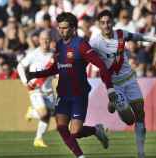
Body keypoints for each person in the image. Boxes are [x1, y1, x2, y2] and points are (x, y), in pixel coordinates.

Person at [26, 12, 119, 158]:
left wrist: (110, 88)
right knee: (62, 128)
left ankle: (96, 130)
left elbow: (101, 65)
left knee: (75, 132)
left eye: (64, 28)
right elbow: (57, 67)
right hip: (63, 94)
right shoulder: (58, 46)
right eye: (59, 28)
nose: (61, 31)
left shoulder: (81, 45)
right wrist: (36, 74)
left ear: (73, 28)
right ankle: (80, 156)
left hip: (79, 94)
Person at [89, 10, 156, 158]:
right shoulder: (95, 42)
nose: (106, 25)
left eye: (108, 22)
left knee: (140, 113)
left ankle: (141, 153)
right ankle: (114, 102)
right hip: (114, 85)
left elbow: (138, 37)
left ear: (112, 22)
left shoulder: (121, 34)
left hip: (130, 79)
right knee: (129, 120)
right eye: (103, 23)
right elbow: (82, 54)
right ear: (99, 24)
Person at [17, 30, 55, 147]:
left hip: (48, 91)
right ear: (39, 40)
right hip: (35, 88)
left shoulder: (54, 55)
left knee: (50, 115)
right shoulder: (34, 54)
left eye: (47, 39)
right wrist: (25, 81)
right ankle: (32, 112)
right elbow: (20, 66)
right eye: (43, 39)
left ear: (51, 40)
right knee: (43, 113)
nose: (45, 41)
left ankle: (38, 139)